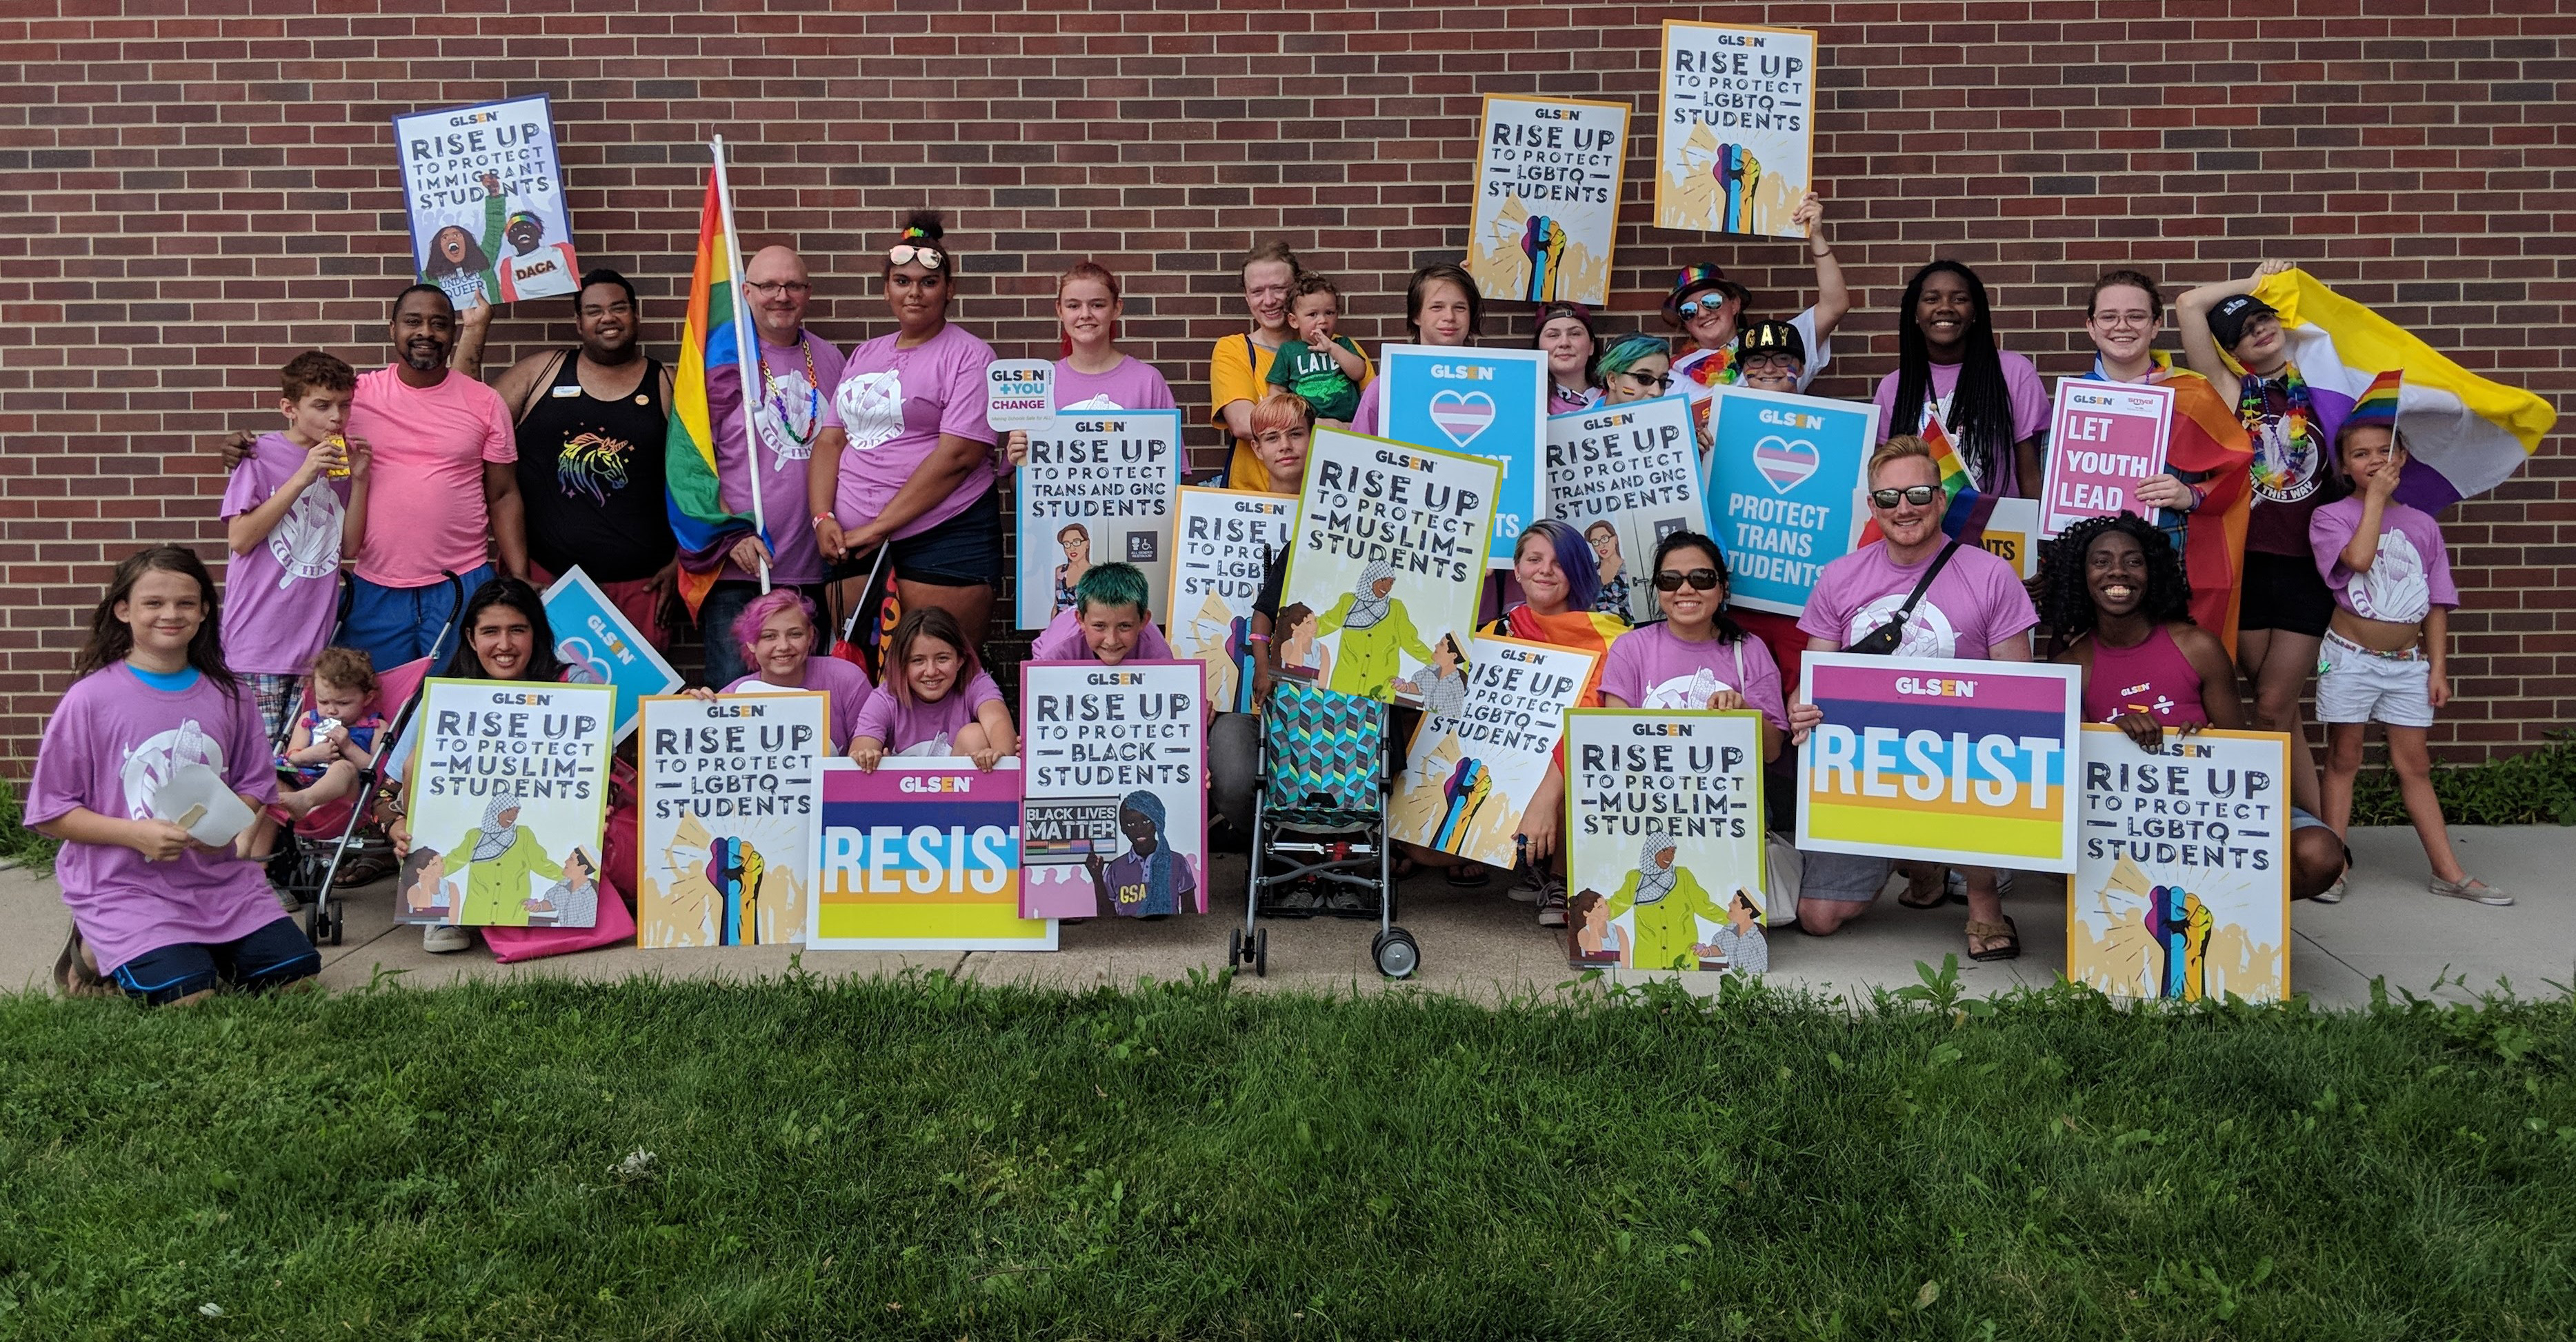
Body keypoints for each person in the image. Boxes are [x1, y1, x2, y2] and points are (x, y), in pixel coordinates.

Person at [29, 547, 323, 1005]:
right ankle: (93, 945)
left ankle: (201, 946)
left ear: (205, 611)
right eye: (153, 603)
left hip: (218, 880)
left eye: (186, 603)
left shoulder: (231, 696)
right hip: (124, 885)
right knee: (188, 997)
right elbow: (51, 813)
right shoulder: (89, 701)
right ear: (124, 610)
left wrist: (221, 827)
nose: (171, 613)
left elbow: (253, 786)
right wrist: (135, 834)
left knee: (296, 980)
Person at [1787, 437, 2039, 959]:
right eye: (1888, 498)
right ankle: (1921, 865)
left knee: (1974, 760)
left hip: (1964, 765)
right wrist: (1799, 705)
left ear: (1941, 500)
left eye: (1919, 493)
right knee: (1817, 918)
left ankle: (1982, 897)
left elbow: (2019, 690)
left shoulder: (1990, 574)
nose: (1904, 508)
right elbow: (1813, 679)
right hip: (1864, 765)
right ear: (1872, 506)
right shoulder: (1839, 576)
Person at [2039, 512, 2349, 901]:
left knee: (2319, 853)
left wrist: (2205, 743)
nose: (2117, 572)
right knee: (2049, 851)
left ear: (2153, 573)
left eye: (2134, 562)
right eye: (2101, 562)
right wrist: (2116, 733)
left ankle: (2237, 913)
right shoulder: (2072, 668)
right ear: (2080, 577)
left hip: (2213, 816)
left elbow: (2241, 752)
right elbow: (2067, 775)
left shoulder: (2197, 646)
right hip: (2123, 824)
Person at [2309, 379, 2508, 905]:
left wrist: (2436, 668)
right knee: (2343, 758)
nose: (2374, 460)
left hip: (2406, 664)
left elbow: (2435, 601)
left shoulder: (2421, 524)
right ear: (2344, 466)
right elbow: (2356, 561)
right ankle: (2332, 868)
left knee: (2413, 764)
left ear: (2401, 455)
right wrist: (2373, 500)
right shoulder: (2330, 517)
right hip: (2349, 658)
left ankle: (2447, 870)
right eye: (2360, 454)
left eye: (2384, 450)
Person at [384, 577, 638, 955]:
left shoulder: (573, 683)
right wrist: (398, 824)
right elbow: (387, 792)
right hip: (472, 831)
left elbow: (598, 772)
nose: (504, 645)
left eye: (517, 630)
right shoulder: (446, 695)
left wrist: (594, 809)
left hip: (547, 827)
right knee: (417, 760)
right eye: (491, 632)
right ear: (471, 638)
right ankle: (443, 914)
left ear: (536, 634)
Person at [2178, 260, 2342, 818]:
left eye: (2263, 318)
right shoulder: (2229, 392)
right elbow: (2186, 306)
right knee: (2279, 711)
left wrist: (2275, 293)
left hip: (2305, 569)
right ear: (2233, 351)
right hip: (2244, 567)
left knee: (2272, 704)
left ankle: (2317, 840)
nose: (2258, 330)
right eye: (2244, 330)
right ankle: (2311, 841)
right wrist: (2251, 284)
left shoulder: (2323, 385)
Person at [808, 213, 1004, 640]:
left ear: (949, 289)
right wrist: (822, 517)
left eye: (928, 282)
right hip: (850, 538)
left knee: (941, 672)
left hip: (943, 533)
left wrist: (878, 529)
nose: (914, 292)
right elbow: (831, 439)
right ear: (886, 289)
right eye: (902, 281)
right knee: (858, 673)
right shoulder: (864, 354)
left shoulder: (970, 356)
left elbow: (959, 456)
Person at [456, 268, 676, 646]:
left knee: (640, 705)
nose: (607, 317)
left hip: (641, 587)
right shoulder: (540, 373)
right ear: (578, 322)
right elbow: (465, 417)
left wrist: (684, 562)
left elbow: (695, 480)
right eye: (594, 310)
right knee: (548, 698)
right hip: (545, 581)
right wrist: (476, 329)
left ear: (636, 316)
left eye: (618, 308)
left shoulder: (666, 384)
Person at [685, 244, 847, 690]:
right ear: (746, 291)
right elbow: (690, 458)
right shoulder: (721, 358)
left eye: (793, 285)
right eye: (769, 286)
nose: (781, 296)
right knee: (737, 705)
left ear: (808, 293)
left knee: (811, 709)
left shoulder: (832, 359)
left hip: (817, 571)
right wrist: (726, 530)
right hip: (741, 571)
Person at [2075, 270, 2255, 640]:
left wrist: (2191, 495)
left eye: (2136, 316)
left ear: (2156, 325)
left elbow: (2239, 470)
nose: (2122, 326)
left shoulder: (2193, 394)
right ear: (2092, 327)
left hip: (2176, 575)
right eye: (2109, 317)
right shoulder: (2072, 403)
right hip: (2092, 585)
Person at [1475, 519, 1628, 923]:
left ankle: (1562, 875)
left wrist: (1545, 800)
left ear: (1578, 571)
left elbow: (1592, 726)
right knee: (1425, 850)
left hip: (1574, 773)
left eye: (1559, 563)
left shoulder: (1610, 637)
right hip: (1512, 765)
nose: (1544, 570)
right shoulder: (1495, 633)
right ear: (1519, 569)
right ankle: (1533, 864)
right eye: (1534, 559)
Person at [221, 351, 370, 743]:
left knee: (296, 761)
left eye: (344, 405)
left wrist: (360, 481)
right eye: (321, 406)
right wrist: (303, 474)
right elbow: (241, 538)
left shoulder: (340, 459)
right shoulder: (259, 455)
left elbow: (349, 547)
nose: (335, 417)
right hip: (257, 642)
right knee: (257, 764)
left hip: (313, 647)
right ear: (289, 408)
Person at [1596, 532, 1786, 765]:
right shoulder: (1629, 648)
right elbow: (1617, 742)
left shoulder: (1749, 649)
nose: (1685, 589)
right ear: (1658, 588)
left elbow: (1772, 751)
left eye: (1701, 578)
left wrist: (1742, 711)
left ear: (1722, 588)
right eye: (1670, 580)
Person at [1208, 241, 1377, 492]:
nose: (1269, 300)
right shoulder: (1233, 350)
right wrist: (1330, 426)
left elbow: (1376, 419)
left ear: (1296, 290)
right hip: (1257, 498)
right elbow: (1244, 424)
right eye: (1257, 292)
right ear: (1246, 296)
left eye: (1279, 289)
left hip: (1332, 494)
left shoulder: (1341, 348)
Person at [1874, 260, 2048, 498]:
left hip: (2001, 529)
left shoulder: (2015, 372)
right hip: (1923, 529)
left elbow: (2030, 471)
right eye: (1932, 299)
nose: (1945, 307)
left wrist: (2036, 532)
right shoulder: (1893, 387)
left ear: (1976, 312)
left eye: (1959, 299)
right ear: (1915, 313)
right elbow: (1884, 475)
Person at [1666, 193, 1847, 418]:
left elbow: (1835, 305)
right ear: (1684, 323)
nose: (1702, 313)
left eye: (1712, 302)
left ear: (1734, 304)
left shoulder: (1780, 344)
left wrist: (1816, 235)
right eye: (1688, 311)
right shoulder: (1672, 376)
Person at [706, 588, 874, 755]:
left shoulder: (846, 678)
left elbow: (870, 753)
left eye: (795, 634)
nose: (784, 646)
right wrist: (694, 709)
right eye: (769, 636)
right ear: (751, 642)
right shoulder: (731, 697)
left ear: (810, 636)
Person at [848, 607, 1017, 772]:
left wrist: (998, 755)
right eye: (918, 661)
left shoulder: (975, 681)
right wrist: (867, 756)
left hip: (959, 795)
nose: (931, 671)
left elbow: (997, 721)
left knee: (975, 735)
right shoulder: (886, 696)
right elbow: (861, 748)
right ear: (902, 665)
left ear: (960, 660)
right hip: (899, 796)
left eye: (942, 659)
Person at [1350, 263, 1481, 435]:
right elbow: (1359, 451)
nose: (1449, 316)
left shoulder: (1494, 384)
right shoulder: (1386, 388)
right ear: (1416, 315)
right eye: (1437, 307)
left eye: (1460, 308)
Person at [1593, 832, 1727, 972]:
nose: (1669, 857)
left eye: (1673, 852)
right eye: (1664, 851)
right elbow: (1616, 905)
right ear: (1652, 850)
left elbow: (1705, 906)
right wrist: (1591, 914)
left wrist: (1735, 921)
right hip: (1648, 958)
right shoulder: (1635, 879)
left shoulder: (1683, 876)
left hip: (1682, 958)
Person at [1264, 274, 1369, 426]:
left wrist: (1332, 348)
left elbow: (1359, 372)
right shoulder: (1289, 350)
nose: (1322, 320)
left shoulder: (1343, 344)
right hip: (1308, 428)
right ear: (1294, 321)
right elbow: (1277, 390)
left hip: (1349, 426)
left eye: (1329, 313)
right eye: (1313, 315)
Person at [1027, 563, 1176, 665]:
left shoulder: (1157, 653)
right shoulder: (1057, 652)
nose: (1111, 641)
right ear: (1081, 620)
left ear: (1143, 621)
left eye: (1125, 626)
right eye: (1099, 626)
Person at [279, 646, 387, 783]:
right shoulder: (309, 720)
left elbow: (379, 771)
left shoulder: (376, 727)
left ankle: (305, 799)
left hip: (343, 790)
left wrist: (348, 747)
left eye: (343, 704)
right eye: (323, 702)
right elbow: (290, 758)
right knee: (273, 774)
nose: (331, 710)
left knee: (341, 768)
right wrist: (311, 755)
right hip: (301, 781)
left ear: (367, 698)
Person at [1084, 790, 1196, 919]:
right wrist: (1097, 877)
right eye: (1131, 824)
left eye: (1146, 821)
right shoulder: (1115, 868)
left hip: (1168, 933)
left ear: (1157, 823)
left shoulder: (1177, 862)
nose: (1139, 829)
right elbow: (1106, 917)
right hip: (1126, 935)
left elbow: (1190, 910)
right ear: (1123, 829)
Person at [1535, 301, 1602, 414]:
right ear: (1539, 347)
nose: (1564, 343)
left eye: (1575, 334)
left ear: (1591, 346)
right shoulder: (1527, 404)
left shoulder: (1615, 402)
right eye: (1553, 335)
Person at [1581, 521, 1632, 619]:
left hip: (1629, 627)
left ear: (1616, 539)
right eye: (1595, 542)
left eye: (1605, 539)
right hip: (1602, 629)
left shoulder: (1629, 567)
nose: (1601, 545)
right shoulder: (1592, 570)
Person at [1051, 523, 1092, 616]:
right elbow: (1056, 606)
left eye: (1076, 542)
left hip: (1081, 627)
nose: (1072, 548)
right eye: (1067, 544)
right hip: (1060, 626)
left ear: (1087, 543)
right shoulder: (1060, 571)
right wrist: (1052, 629)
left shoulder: (1094, 574)